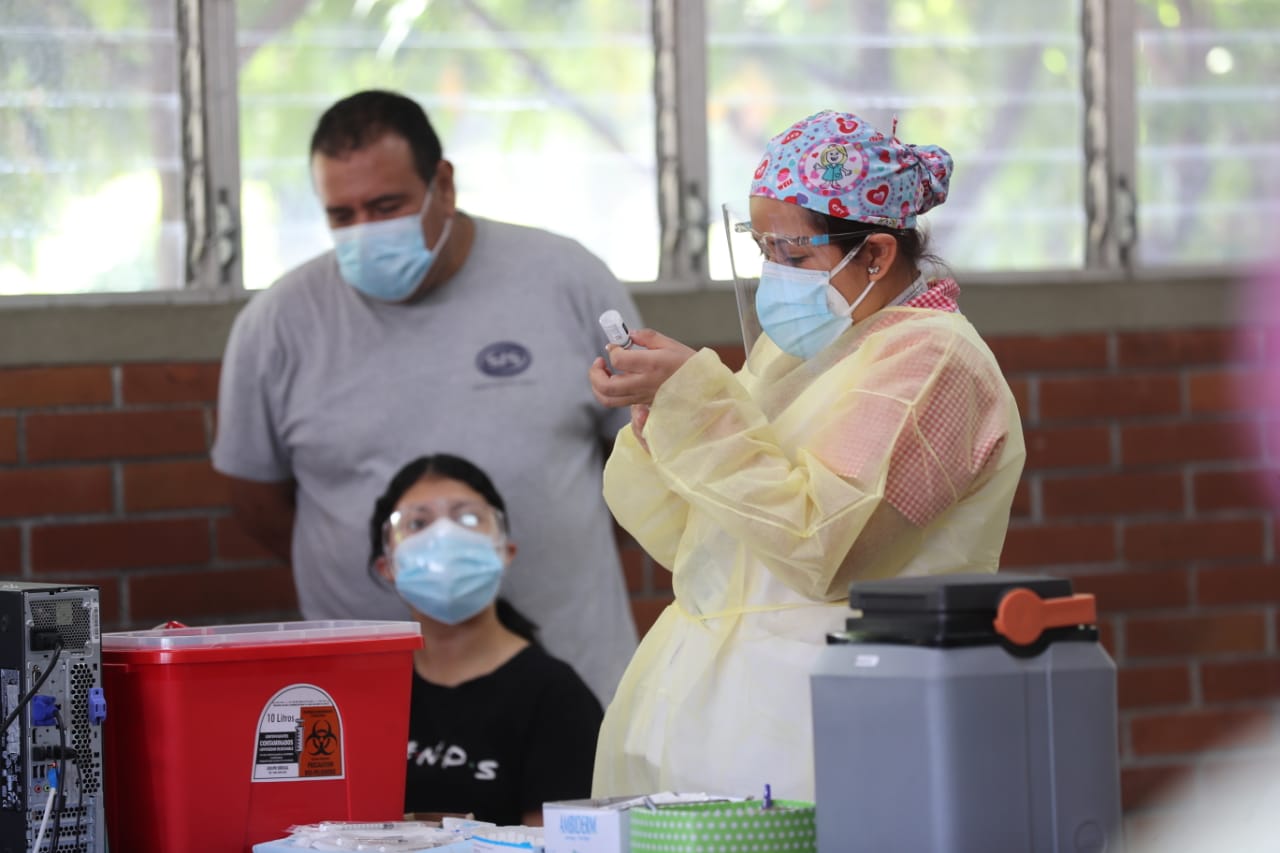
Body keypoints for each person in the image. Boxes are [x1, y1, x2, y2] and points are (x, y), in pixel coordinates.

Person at [587, 110, 1027, 800]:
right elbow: (703, 544)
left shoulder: (933, 363)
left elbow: (825, 547)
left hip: (829, 729)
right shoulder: (803, 350)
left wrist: (700, 410)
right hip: (712, 714)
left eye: (794, 257)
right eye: (763, 251)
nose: (775, 277)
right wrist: (662, 419)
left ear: (876, 255)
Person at [211, 89, 640, 705]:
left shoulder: (567, 279)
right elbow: (259, 504)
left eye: (387, 206)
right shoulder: (277, 325)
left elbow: (640, 458)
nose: (366, 232)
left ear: (443, 185)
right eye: (342, 215)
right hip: (368, 698)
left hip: (570, 677)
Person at [369, 453, 602, 826]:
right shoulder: (369, 695)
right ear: (387, 566)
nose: (443, 536)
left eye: (467, 518)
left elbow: (560, 842)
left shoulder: (556, 696)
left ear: (505, 551)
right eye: (418, 523)